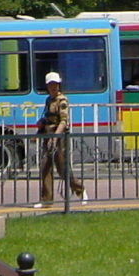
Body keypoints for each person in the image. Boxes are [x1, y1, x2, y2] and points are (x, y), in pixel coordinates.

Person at [33, 71, 88, 209]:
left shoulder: (62, 101)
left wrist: (56, 137)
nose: (53, 87)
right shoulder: (48, 100)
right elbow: (48, 117)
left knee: (62, 169)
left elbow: (63, 122)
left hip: (59, 137)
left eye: (55, 84)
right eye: (50, 84)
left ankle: (80, 189)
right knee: (45, 167)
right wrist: (41, 122)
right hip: (48, 135)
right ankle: (46, 200)